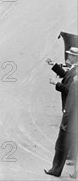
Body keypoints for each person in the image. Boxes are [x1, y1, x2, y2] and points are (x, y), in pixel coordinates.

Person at [45, 50, 78, 178]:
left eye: (70, 55)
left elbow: (69, 90)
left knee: (61, 144)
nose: (68, 56)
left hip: (71, 113)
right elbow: (66, 76)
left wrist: (56, 83)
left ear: (75, 58)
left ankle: (56, 170)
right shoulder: (74, 70)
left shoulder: (75, 73)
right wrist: (54, 66)